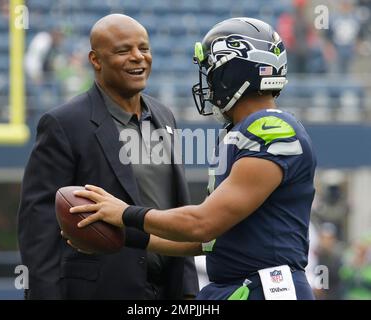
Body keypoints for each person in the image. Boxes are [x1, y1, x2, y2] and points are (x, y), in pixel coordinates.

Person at [67, 17, 317, 300]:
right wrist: (119, 234)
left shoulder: (271, 131)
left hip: (266, 288)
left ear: (231, 72)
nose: (208, 82)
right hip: (238, 287)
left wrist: (125, 212)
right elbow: (205, 241)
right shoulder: (242, 132)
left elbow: (203, 223)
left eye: (211, 71)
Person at [17, 14, 199, 300]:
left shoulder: (165, 117)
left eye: (144, 48)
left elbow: (178, 205)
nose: (138, 57)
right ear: (95, 60)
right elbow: (37, 228)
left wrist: (188, 291)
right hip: (99, 290)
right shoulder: (64, 123)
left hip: (168, 291)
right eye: (123, 50)